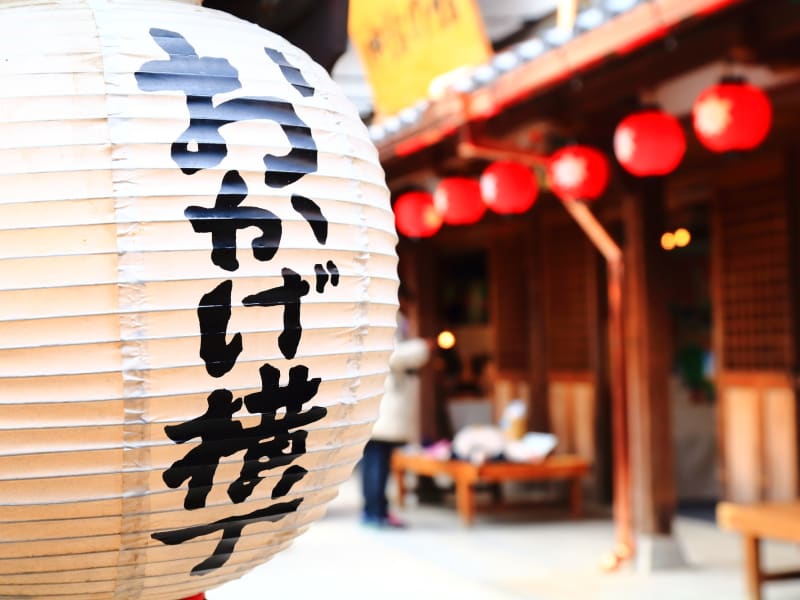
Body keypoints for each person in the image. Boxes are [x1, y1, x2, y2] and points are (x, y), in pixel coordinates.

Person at [361, 289, 430, 528]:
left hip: (377, 401)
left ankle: (375, 510)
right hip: (384, 402)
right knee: (377, 460)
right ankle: (376, 512)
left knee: (375, 459)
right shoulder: (388, 319)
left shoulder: (378, 316)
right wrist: (422, 349)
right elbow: (390, 355)